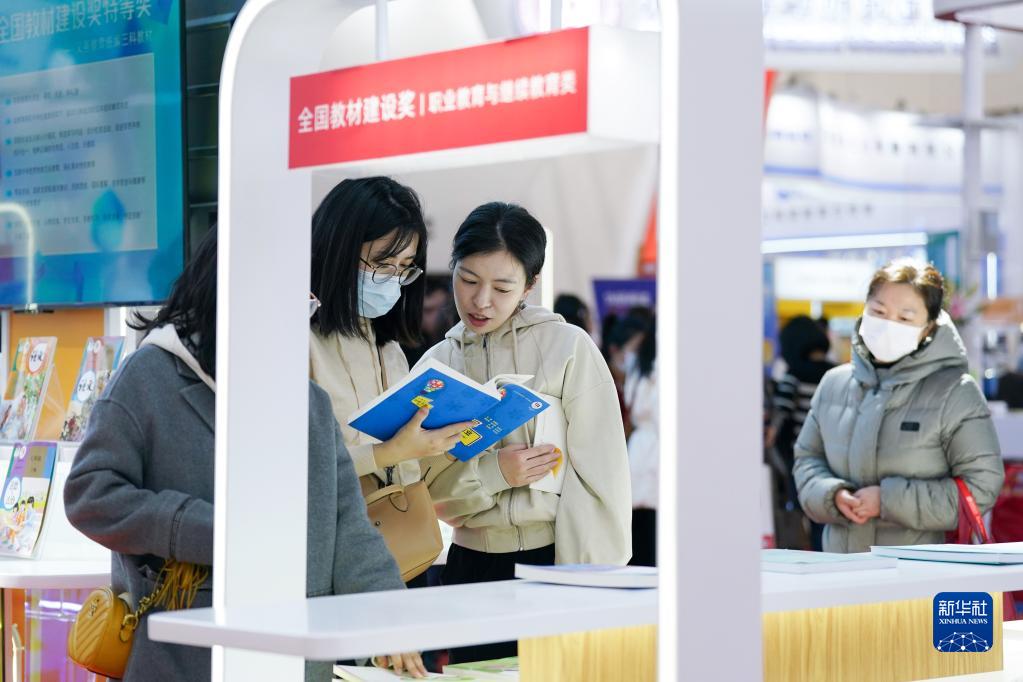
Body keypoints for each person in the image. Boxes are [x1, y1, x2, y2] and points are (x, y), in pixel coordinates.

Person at [63, 227, 426, 681]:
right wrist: (202, 528)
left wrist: (388, 619)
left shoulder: (308, 403)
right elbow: (90, 495)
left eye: (302, 304)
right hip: (182, 653)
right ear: (227, 297)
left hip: (292, 656)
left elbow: (347, 526)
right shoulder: (150, 376)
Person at [419, 202, 631, 663]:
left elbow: (603, 476)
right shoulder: (436, 366)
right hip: (470, 568)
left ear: (530, 285)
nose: (481, 301)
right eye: (468, 280)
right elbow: (423, 486)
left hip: (554, 562)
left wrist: (587, 580)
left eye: (502, 287)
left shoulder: (568, 348)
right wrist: (495, 473)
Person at [308, 178, 471, 575]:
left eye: (404, 268)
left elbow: (409, 460)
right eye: (382, 263)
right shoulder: (298, 340)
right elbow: (289, 466)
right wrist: (389, 453)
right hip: (323, 559)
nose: (392, 279)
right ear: (338, 249)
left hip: (396, 550)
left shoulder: (389, 348)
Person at [794, 259, 1004, 553]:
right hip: (840, 570)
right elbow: (807, 459)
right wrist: (832, 495)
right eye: (879, 312)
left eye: (905, 318)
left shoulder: (955, 393)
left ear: (927, 328)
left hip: (920, 573)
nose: (888, 326)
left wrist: (887, 501)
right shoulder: (834, 385)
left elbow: (981, 487)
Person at [771, 316, 835, 550]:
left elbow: (781, 415)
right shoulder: (836, 374)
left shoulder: (793, 375)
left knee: (808, 513)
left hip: (803, 459)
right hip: (835, 456)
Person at [624, 318, 657, 566]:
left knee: (638, 519)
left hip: (638, 447)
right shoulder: (666, 364)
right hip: (658, 445)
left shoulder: (639, 363)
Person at [404, 275, 458, 366]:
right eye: (420, 311)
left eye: (429, 311)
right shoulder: (410, 346)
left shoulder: (456, 344)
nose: (422, 318)